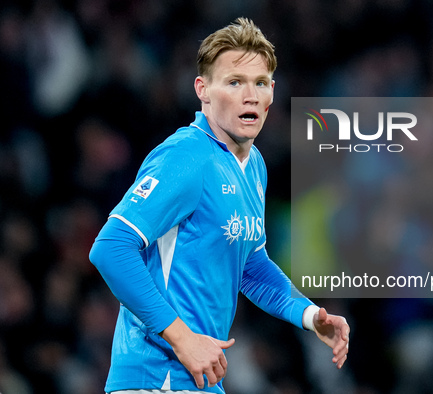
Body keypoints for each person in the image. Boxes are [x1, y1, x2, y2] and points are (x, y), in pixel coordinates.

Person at [89, 17, 349, 394]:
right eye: (234, 82)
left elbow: (250, 264)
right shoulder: (186, 156)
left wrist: (310, 315)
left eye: (260, 83)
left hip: (201, 379)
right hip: (157, 378)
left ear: (272, 92)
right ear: (203, 90)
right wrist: (182, 338)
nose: (250, 95)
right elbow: (111, 248)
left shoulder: (253, 165)